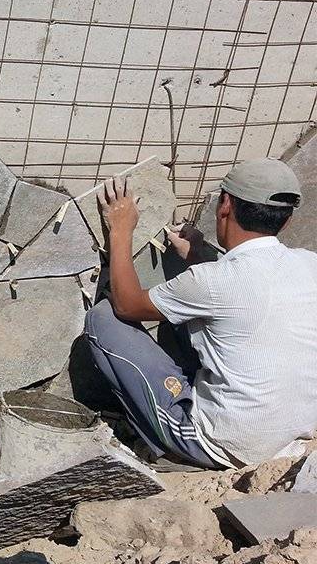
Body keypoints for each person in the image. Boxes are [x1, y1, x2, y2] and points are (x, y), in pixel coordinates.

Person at [84, 158, 317, 469]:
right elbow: (242, 294)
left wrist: (121, 230)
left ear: (225, 205)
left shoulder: (210, 281)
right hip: (290, 437)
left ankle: (168, 448)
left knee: (103, 319)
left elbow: (127, 304)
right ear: (286, 221)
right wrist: (197, 255)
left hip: (226, 444)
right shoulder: (310, 264)